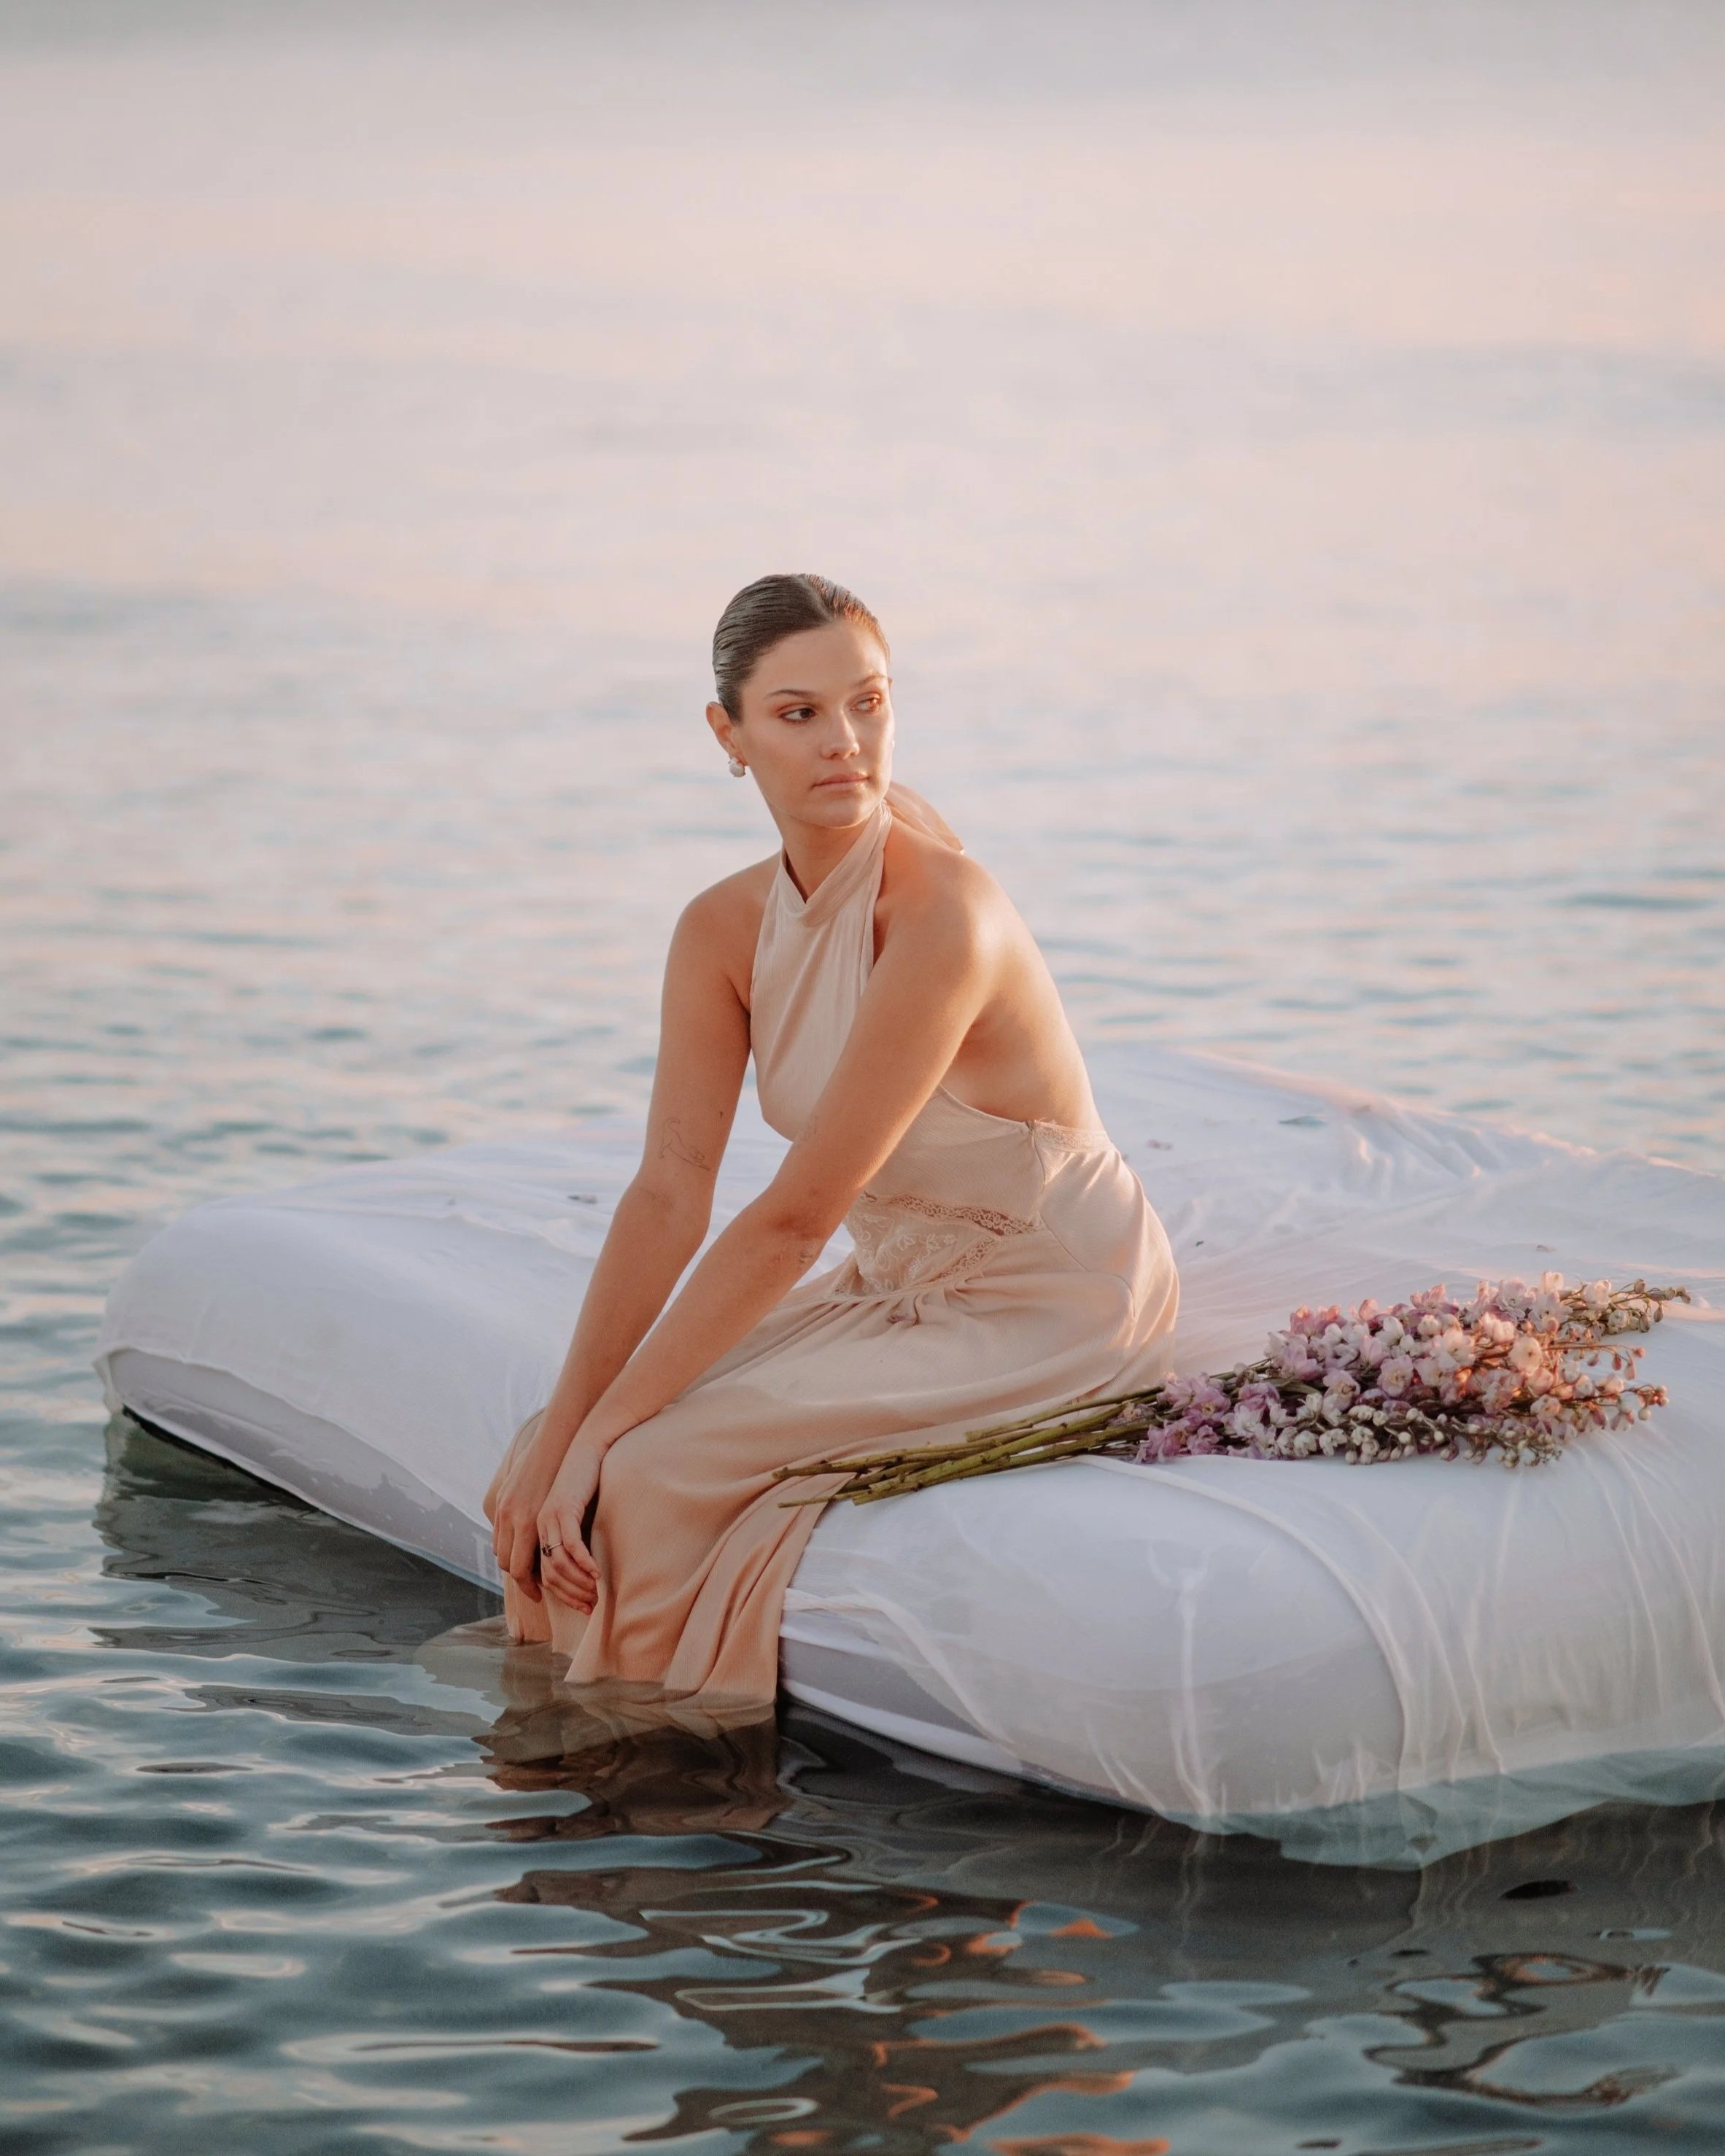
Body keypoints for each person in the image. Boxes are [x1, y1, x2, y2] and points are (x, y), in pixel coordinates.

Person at [483, 573, 1179, 1710]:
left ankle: (659, 1764)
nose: (844, 740)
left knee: (644, 1472)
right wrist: (569, 1428)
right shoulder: (719, 928)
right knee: (537, 1455)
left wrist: (606, 1435)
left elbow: (794, 1220)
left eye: (868, 702)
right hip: (894, 1285)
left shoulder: (946, 914)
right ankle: (552, 1726)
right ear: (729, 735)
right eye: (797, 713)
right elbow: (668, 1189)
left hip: (1052, 1296)